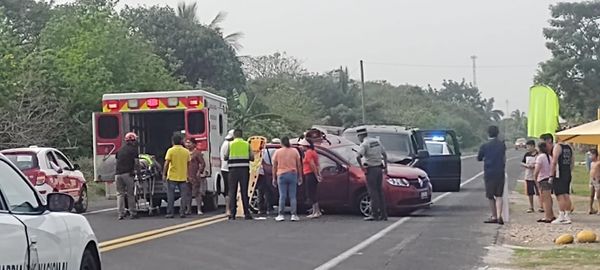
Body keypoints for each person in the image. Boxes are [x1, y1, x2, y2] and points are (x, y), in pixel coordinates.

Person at [356, 128, 389, 221]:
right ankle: (384, 214)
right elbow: (385, 154)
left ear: (360, 136)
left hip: (371, 170)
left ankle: (375, 215)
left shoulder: (364, 144)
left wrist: (362, 167)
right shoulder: (376, 141)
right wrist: (386, 167)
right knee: (380, 192)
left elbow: (358, 156)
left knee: (373, 193)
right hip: (379, 169)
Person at [477, 126, 506, 225]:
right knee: (499, 195)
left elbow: (479, 158)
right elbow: (504, 158)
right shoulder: (502, 145)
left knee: (490, 195)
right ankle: (499, 215)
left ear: (488, 133)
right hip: (500, 172)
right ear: (498, 133)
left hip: (489, 172)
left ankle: (494, 216)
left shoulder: (484, 145)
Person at [542, 133, 574, 224]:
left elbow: (554, 162)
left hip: (559, 174)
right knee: (566, 194)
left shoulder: (557, 147)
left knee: (560, 195)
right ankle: (567, 215)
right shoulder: (568, 148)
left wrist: (551, 175)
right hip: (567, 172)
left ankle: (561, 215)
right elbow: (572, 161)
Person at [223, 129, 254, 220]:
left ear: (234, 136)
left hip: (232, 170)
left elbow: (225, 157)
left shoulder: (230, 144)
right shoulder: (247, 144)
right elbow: (252, 157)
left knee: (232, 191)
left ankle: (232, 214)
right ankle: (247, 214)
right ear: (241, 135)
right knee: (244, 191)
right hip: (244, 170)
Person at [272, 137, 303, 222]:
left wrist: (274, 177)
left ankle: (281, 214)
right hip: (293, 174)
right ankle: (294, 215)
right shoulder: (294, 151)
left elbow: (274, 165)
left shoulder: (278, 152)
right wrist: (300, 176)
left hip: (281, 174)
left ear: (281, 143)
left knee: (282, 195)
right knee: (293, 196)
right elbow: (299, 165)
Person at [163, 134, 191, 219]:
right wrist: (187, 174)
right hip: (183, 176)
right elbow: (188, 164)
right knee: (184, 196)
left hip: (172, 176)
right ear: (181, 141)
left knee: (171, 195)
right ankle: (182, 212)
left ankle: (170, 213)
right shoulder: (186, 151)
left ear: (172, 142)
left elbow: (166, 164)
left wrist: (164, 174)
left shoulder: (170, 151)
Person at [115, 132, 140, 220]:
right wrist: (138, 173)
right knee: (130, 194)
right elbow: (136, 163)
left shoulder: (120, 149)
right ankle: (133, 212)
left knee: (120, 194)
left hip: (118, 174)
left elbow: (117, 160)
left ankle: (120, 213)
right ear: (133, 140)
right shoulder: (133, 150)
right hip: (127, 174)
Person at [300, 139, 322, 218]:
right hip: (311, 174)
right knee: (313, 192)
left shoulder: (309, 153)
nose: (301, 147)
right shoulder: (313, 152)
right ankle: (316, 211)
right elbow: (317, 164)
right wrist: (318, 174)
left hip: (310, 174)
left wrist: (316, 175)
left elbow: (312, 164)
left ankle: (316, 211)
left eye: (302, 146)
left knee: (311, 193)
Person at [535, 141, 555, 223]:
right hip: (549, 178)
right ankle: (551, 214)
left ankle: (547, 216)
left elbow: (537, 169)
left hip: (542, 179)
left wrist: (535, 178)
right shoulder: (549, 157)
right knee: (549, 198)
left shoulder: (540, 157)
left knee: (545, 199)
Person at [185, 138, 206, 215]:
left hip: (195, 176)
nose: (187, 144)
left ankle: (199, 209)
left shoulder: (197, 153)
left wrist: (199, 172)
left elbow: (202, 163)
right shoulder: (185, 153)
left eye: (189, 143)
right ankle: (188, 209)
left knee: (197, 193)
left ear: (194, 144)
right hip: (186, 175)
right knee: (187, 193)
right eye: (186, 143)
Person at [521, 140, 541, 213]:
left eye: (529, 146)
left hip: (537, 175)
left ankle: (541, 206)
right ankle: (531, 206)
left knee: (539, 191)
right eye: (527, 147)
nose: (528, 148)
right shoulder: (526, 154)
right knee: (530, 192)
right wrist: (526, 165)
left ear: (533, 146)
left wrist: (534, 166)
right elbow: (522, 162)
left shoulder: (538, 154)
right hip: (528, 175)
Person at [220, 129, 234, 216]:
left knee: (228, 189)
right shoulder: (229, 144)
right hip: (228, 168)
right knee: (229, 189)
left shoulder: (224, 144)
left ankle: (228, 209)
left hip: (224, 168)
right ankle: (228, 209)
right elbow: (226, 157)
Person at [589, 149, 600, 214]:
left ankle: (599, 209)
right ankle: (590, 208)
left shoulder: (598, 163)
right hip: (591, 180)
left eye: (591, 155)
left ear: (595, 155)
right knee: (591, 195)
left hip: (597, 180)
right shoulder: (591, 163)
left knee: (598, 196)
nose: (590, 157)